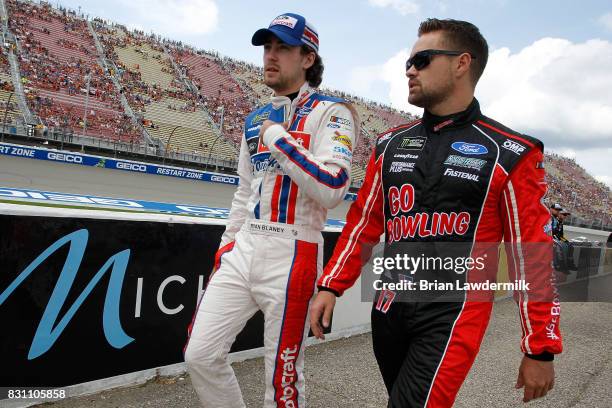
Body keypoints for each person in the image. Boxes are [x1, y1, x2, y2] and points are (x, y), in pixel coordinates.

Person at [310, 18, 562, 407]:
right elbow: (364, 223)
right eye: (408, 62)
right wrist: (331, 285)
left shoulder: (510, 153)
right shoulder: (390, 143)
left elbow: (530, 257)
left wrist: (539, 347)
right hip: (389, 306)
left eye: (423, 59)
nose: (410, 69)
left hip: (453, 313)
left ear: (462, 63)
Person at [184, 12, 358, 408]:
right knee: (199, 354)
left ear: (308, 58)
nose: (270, 56)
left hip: (294, 250)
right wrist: (225, 250)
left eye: (282, 47)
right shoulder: (255, 119)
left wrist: (279, 138)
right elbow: (243, 194)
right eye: (267, 47)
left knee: (282, 384)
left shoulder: (333, 113)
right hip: (244, 248)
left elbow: (333, 188)